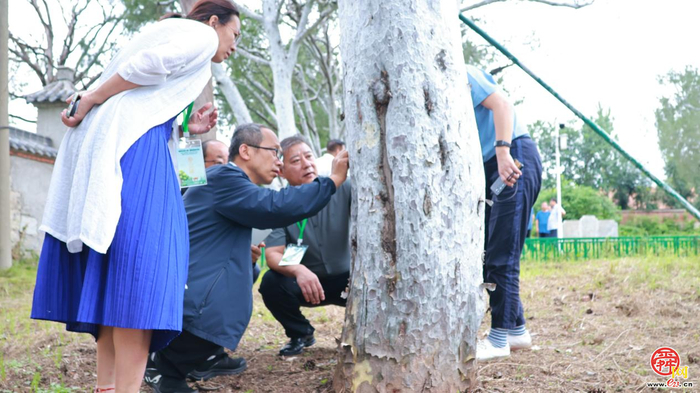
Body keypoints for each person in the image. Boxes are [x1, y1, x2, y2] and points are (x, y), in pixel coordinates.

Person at [30, 1, 240, 391]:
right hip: (137, 155)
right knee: (145, 281)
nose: (233, 44)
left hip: (129, 148)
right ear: (214, 22)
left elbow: (146, 94)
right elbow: (145, 66)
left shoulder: (179, 37)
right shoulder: (200, 35)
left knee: (119, 278)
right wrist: (92, 96)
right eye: (234, 34)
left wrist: (185, 127)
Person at [144, 124, 349, 392]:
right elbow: (277, 207)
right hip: (192, 290)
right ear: (246, 151)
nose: (278, 161)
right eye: (275, 152)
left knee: (243, 282)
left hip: (195, 282)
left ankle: (178, 368)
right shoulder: (225, 177)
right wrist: (333, 180)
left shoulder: (231, 184)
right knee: (227, 305)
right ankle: (160, 367)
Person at [466, 65, 543, 361]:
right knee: (490, 251)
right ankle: (516, 330)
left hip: (511, 156)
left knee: (502, 253)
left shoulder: (461, 72)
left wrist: (502, 152)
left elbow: (502, 104)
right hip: (489, 166)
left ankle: (499, 340)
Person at [259, 135, 351, 356]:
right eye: (296, 160)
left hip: (348, 280)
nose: (307, 163)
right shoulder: (278, 204)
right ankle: (301, 333)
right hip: (306, 282)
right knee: (271, 283)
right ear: (281, 171)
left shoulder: (344, 187)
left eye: (309, 156)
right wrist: (298, 269)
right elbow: (272, 254)